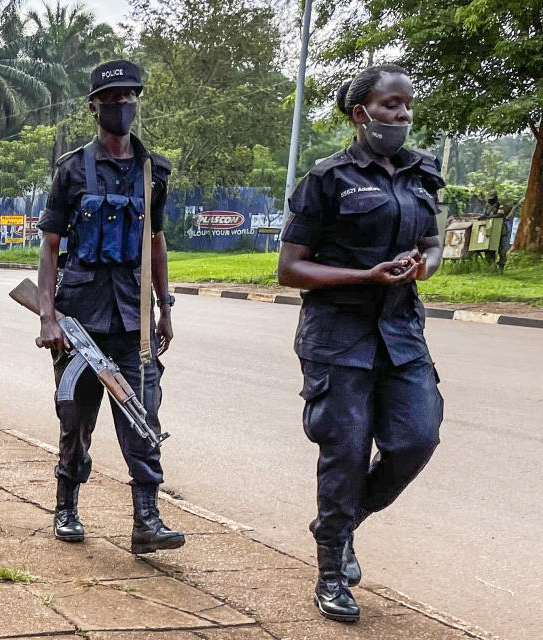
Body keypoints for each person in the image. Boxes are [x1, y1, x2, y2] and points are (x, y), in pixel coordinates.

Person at [278, 65, 445, 623]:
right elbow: (290, 269)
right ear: (360, 114)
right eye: (390, 106)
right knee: (345, 453)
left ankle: (344, 522)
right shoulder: (326, 178)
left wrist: (422, 266)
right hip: (337, 337)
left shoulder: (422, 173)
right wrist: (365, 276)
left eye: (406, 106)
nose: (401, 116)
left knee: (416, 439)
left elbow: (432, 242)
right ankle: (331, 570)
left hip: (402, 334)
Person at [36, 60, 184, 555]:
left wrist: (165, 306)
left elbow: (156, 242)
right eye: (112, 98)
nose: (122, 106)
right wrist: (48, 316)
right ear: (94, 106)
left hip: (134, 318)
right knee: (75, 419)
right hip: (80, 316)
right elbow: (51, 246)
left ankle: (147, 520)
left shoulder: (153, 170)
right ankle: (66, 506)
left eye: (129, 97)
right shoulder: (72, 169)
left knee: (143, 416)